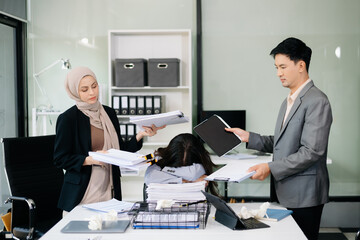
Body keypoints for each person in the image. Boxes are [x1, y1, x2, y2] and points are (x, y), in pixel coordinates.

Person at [226, 37, 332, 240]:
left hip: (305, 196)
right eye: (276, 67)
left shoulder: (317, 101)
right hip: (285, 191)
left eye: (282, 67)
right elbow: (284, 142)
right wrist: (248, 137)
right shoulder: (289, 101)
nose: (278, 73)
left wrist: (270, 168)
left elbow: (311, 152)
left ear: (301, 65)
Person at [54, 66, 165, 214]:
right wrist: (90, 159)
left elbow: (119, 150)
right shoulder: (68, 119)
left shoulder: (109, 113)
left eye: (94, 86)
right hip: (83, 193)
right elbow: (60, 159)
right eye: (85, 89)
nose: (92, 92)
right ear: (75, 92)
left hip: (110, 187)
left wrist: (140, 135)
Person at [144, 133, 218, 196]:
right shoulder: (160, 159)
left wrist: (168, 175)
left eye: (187, 166)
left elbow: (193, 174)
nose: (182, 168)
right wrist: (189, 182)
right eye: (178, 166)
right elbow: (150, 178)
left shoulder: (201, 165)